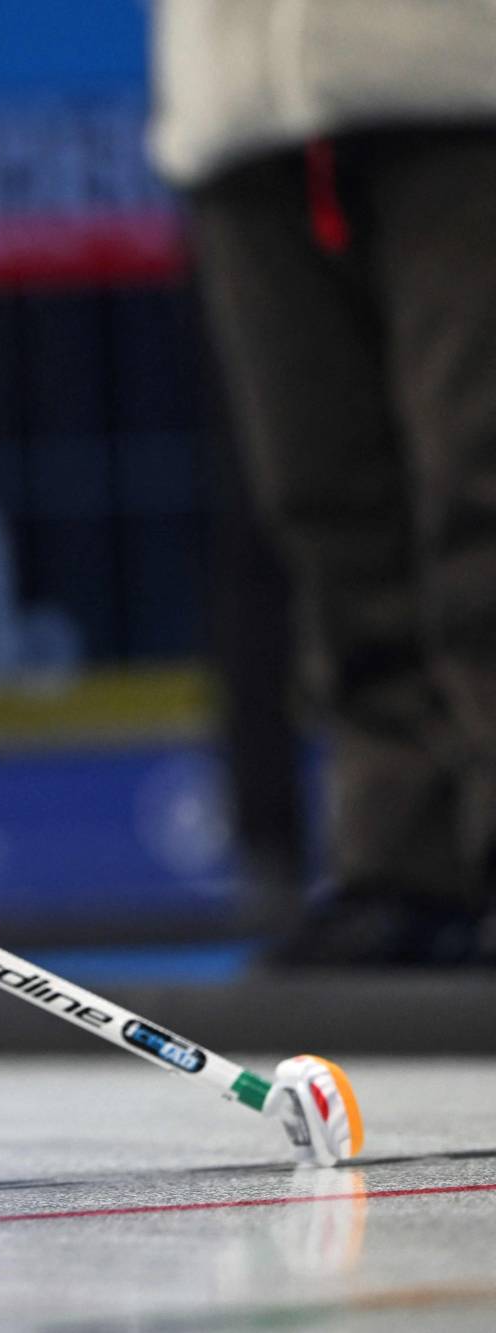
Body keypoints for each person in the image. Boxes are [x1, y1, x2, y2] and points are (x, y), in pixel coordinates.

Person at [151, 0, 496, 966]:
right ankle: (402, 864)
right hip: (239, 108)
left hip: (464, 85)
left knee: (479, 486)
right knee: (326, 511)